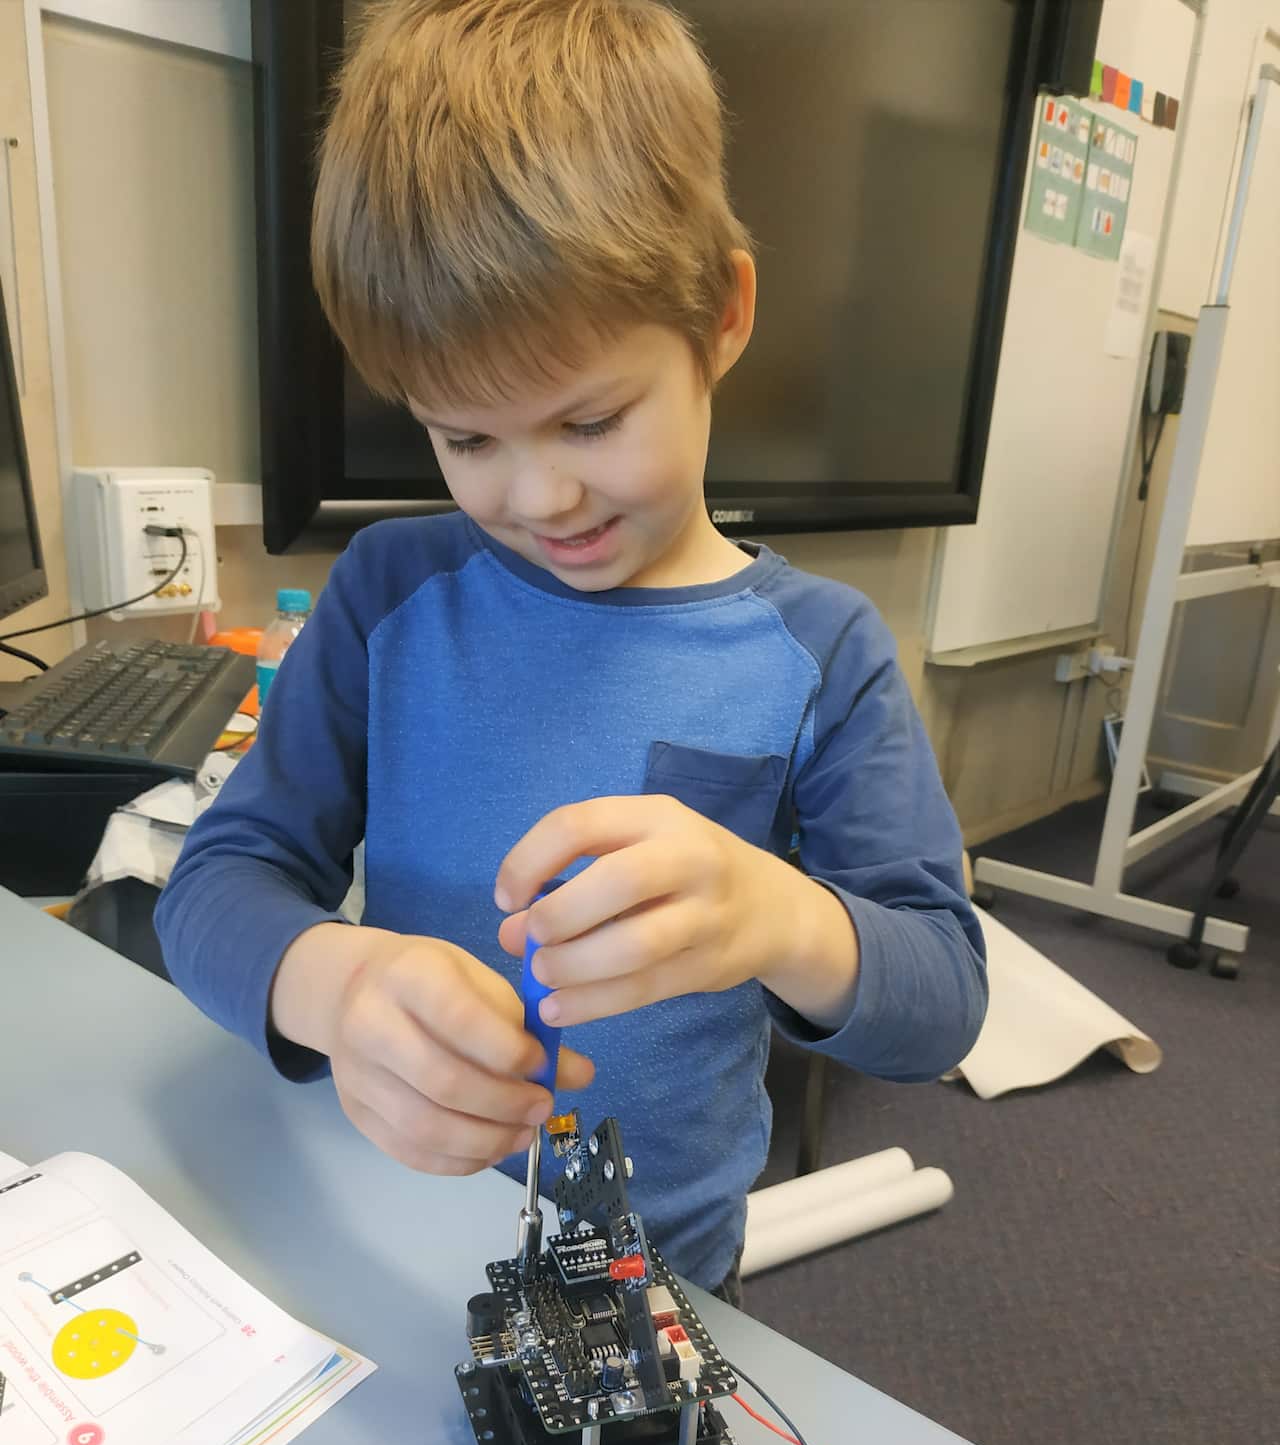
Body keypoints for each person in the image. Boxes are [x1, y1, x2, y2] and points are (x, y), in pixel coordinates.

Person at [155, 0, 987, 1304]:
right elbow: (214, 888)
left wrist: (777, 914)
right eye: (466, 439)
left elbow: (943, 996)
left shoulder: (822, 651)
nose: (540, 498)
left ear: (720, 315)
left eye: (590, 421)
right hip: (383, 1222)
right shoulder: (390, 594)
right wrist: (332, 979)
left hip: (655, 1275)